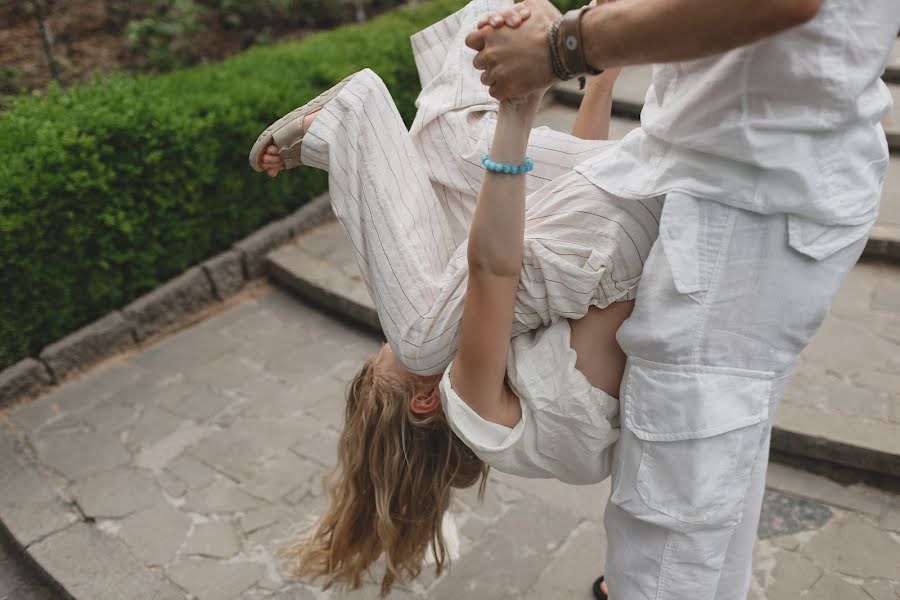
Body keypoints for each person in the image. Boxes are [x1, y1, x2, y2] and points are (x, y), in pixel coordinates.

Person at [467, 0, 900, 598]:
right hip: (742, 171)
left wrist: (566, 47)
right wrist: (565, 58)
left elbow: (492, 265)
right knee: (698, 508)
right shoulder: (487, 403)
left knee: (672, 534)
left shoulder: (476, 397)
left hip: (746, 183)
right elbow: (492, 264)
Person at [247, 1, 661, 595]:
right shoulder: (472, 399)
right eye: (380, 347)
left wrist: (602, 80)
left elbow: (537, 250)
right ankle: (355, 121)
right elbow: (493, 265)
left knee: (447, 168)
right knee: (424, 328)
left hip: (610, 220)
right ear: (423, 404)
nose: (387, 330)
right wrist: (517, 109)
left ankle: (477, 36)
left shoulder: (502, 384)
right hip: (621, 229)